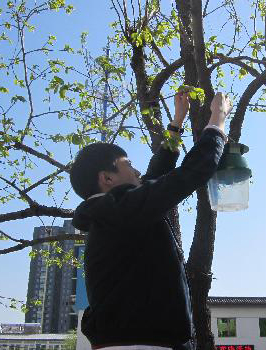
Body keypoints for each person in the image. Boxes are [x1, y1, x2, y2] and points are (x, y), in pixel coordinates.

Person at [70, 92, 233, 350]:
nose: (136, 171)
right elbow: (190, 174)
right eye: (128, 164)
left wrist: (177, 122)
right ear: (108, 178)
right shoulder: (121, 210)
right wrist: (218, 121)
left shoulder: (116, 214)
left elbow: (157, 173)